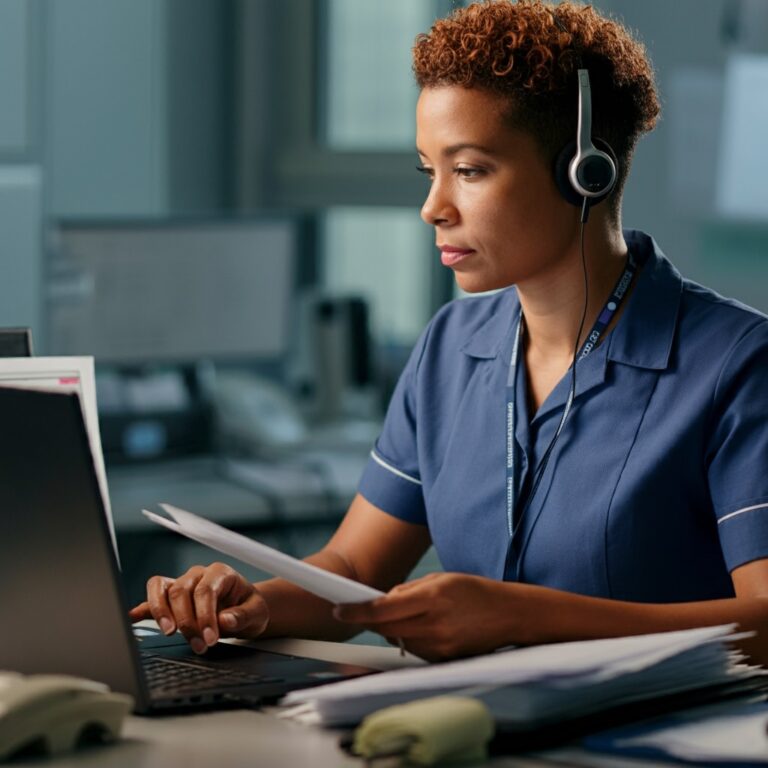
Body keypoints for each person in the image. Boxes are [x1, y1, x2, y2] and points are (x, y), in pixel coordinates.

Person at [130, 0, 768, 663]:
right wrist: (255, 605)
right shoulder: (450, 347)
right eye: (428, 171)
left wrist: (521, 617)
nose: (433, 208)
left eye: (468, 170)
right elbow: (352, 568)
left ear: (584, 173)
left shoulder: (737, 365)